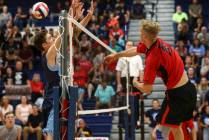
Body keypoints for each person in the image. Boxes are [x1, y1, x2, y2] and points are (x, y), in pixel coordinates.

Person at [104, 20, 197, 140]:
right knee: (173, 127)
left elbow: (148, 89)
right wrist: (117, 55)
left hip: (178, 94)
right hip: (188, 89)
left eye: (141, 32)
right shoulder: (156, 42)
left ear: (145, 36)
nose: (139, 34)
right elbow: (135, 50)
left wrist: (135, 82)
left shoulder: (153, 58)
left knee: (163, 130)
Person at [33, 0, 94, 139]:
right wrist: (71, 12)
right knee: (50, 134)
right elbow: (64, 32)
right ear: (44, 45)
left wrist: (87, 17)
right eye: (50, 38)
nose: (53, 37)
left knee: (66, 133)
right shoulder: (49, 54)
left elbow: (72, 33)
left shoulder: (58, 50)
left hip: (65, 95)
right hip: (53, 100)